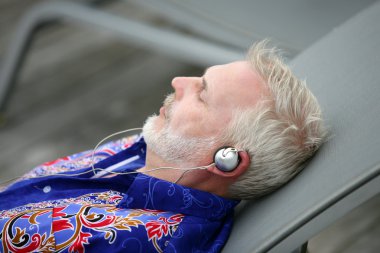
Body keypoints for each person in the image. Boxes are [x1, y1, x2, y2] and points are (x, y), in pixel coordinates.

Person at [0, 40, 326, 252]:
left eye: (202, 94)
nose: (178, 82)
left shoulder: (139, 241)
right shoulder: (155, 149)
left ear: (226, 160)